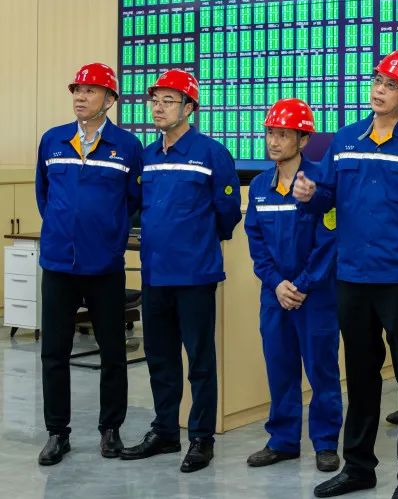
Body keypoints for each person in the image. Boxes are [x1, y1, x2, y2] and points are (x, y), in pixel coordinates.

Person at [294, 50, 398, 499]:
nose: (380, 89)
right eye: (378, 79)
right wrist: (311, 194)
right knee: (360, 375)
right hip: (353, 275)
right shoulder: (345, 138)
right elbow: (327, 198)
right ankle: (359, 467)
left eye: (392, 85)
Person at [120, 68, 241, 473]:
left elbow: (227, 213)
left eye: (168, 101)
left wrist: (197, 241)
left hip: (195, 275)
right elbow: (140, 209)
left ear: (189, 108)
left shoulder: (211, 153)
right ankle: (166, 431)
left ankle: (201, 438)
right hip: (155, 274)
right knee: (160, 358)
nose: (158, 107)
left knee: (200, 361)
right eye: (155, 100)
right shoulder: (148, 156)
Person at [34, 63, 143, 465]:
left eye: (91, 90)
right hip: (59, 265)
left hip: (104, 267)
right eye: (77, 90)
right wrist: (63, 230)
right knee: (54, 353)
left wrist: (109, 236)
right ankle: (57, 433)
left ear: (110, 99)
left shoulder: (127, 146)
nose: (80, 97)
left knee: (113, 352)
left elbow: (133, 202)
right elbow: (44, 195)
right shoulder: (52, 140)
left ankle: (110, 430)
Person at [244, 98, 342, 472]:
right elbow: (256, 242)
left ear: (303, 140)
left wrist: (300, 285)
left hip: (315, 297)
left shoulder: (320, 184)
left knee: (322, 371)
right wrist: (277, 284)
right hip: (275, 296)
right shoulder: (259, 186)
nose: (274, 141)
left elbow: (328, 242)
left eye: (283, 134)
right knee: (280, 367)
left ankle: (325, 442)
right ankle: (283, 440)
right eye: (270, 132)